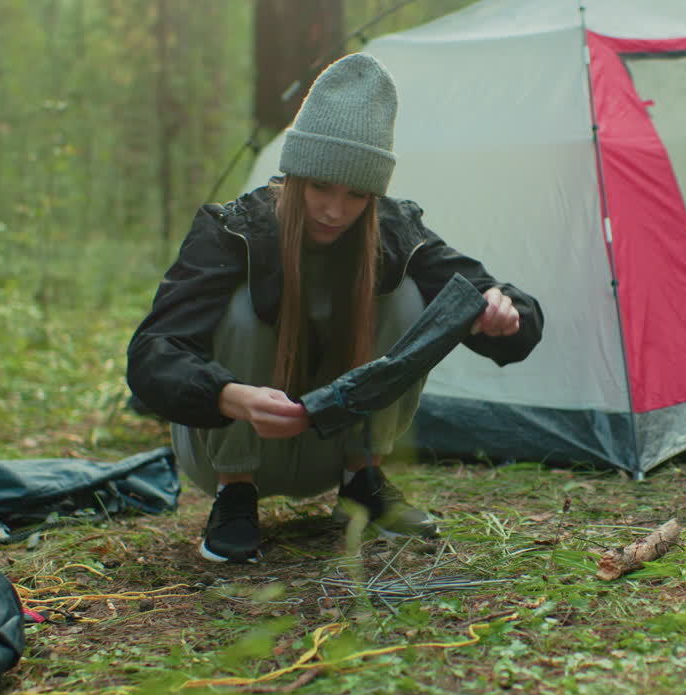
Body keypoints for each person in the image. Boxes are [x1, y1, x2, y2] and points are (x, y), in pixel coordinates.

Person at [126, 53, 543, 563]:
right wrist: (232, 397)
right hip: (233, 439)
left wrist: (504, 309)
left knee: (413, 296)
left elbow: (488, 295)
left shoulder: (394, 231)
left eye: (356, 195)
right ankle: (235, 494)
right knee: (239, 305)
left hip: (330, 438)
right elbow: (152, 353)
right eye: (320, 186)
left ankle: (362, 481)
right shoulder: (233, 231)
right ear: (295, 174)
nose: (334, 210)